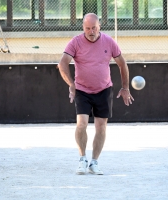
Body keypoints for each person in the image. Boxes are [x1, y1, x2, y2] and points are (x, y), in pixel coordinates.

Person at [58, 13, 134, 175]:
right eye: (87, 28)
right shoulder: (76, 42)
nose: (91, 31)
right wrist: (71, 84)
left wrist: (125, 87)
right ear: (83, 28)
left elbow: (122, 64)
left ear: (99, 26)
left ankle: (94, 162)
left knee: (101, 127)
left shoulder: (109, 42)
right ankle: (82, 159)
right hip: (82, 90)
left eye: (93, 28)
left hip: (104, 90)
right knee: (82, 124)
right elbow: (62, 63)